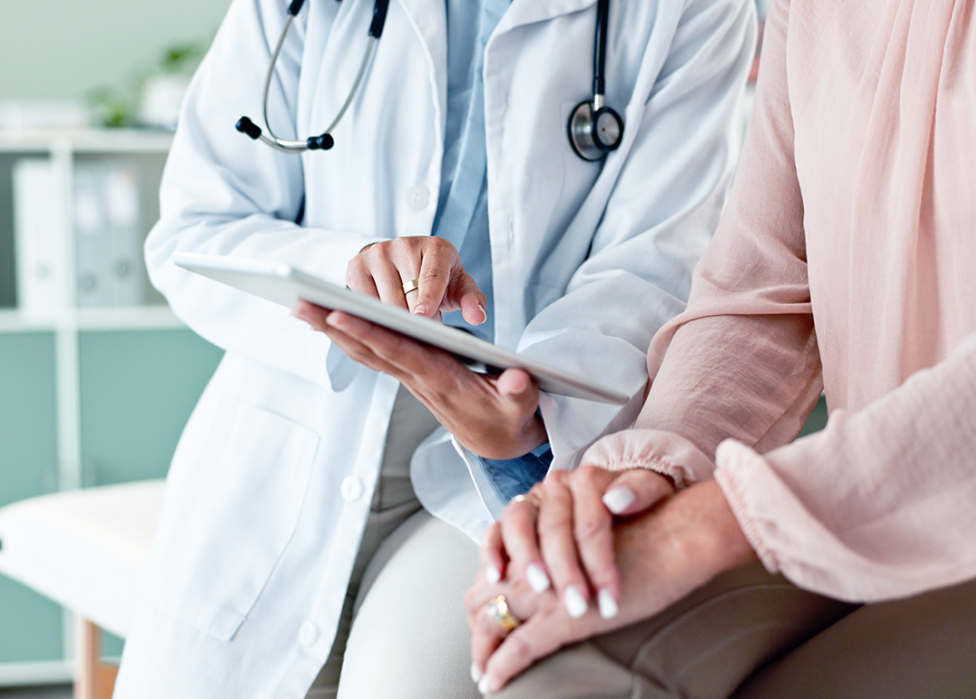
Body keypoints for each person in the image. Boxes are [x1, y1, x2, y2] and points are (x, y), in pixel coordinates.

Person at [113, 0, 758, 697]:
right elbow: (195, 228)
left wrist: (526, 415)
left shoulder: (693, 10)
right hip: (298, 430)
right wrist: (352, 272)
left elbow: (654, 266)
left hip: (511, 463)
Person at [467, 0, 976, 696]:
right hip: (857, 504)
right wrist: (637, 477)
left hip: (912, 515)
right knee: (556, 665)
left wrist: (711, 524)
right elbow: (762, 286)